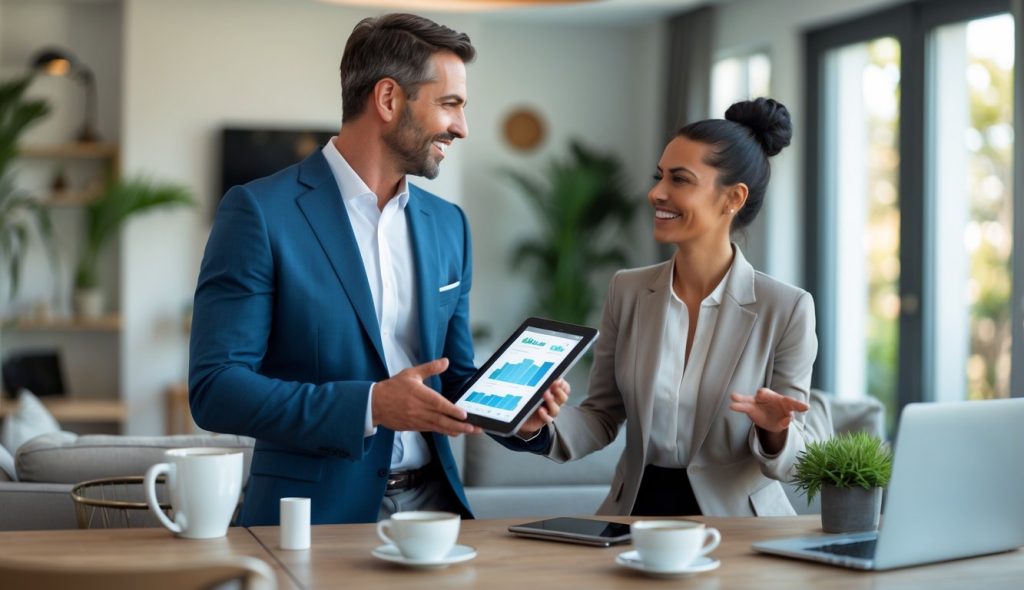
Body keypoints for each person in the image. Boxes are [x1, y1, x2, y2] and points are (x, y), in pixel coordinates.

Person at [188, 13, 562, 526]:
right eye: (449, 104)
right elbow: (216, 389)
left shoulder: (448, 224)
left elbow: (452, 377)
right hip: (314, 517)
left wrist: (518, 416)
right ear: (388, 99)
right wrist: (371, 405)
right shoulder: (259, 213)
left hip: (435, 510)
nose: (461, 127)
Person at [503, 97, 828, 517]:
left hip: (738, 526)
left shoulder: (786, 308)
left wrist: (774, 432)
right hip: (636, 514)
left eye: (680, 179)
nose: (656, 193)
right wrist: (541, 427)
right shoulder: (627, 290)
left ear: (733, 198)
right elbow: (602, 416)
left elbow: (799, 462)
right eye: (659, 176)